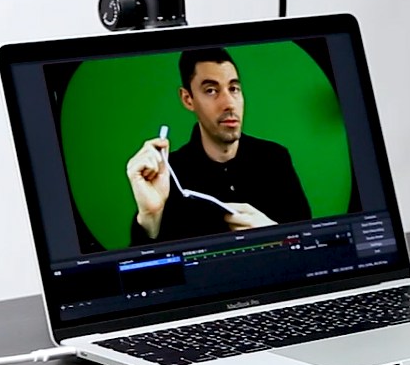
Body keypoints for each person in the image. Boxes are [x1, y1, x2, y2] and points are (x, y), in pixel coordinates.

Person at [126, 48, 312, 244]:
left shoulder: (275, 158)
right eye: (211, 90)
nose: (229, 103)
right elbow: (147, 262)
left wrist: (275, 233)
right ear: (188, 99)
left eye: (233, 89)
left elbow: (311, 245)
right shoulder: (166, 175)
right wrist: (150, 217)